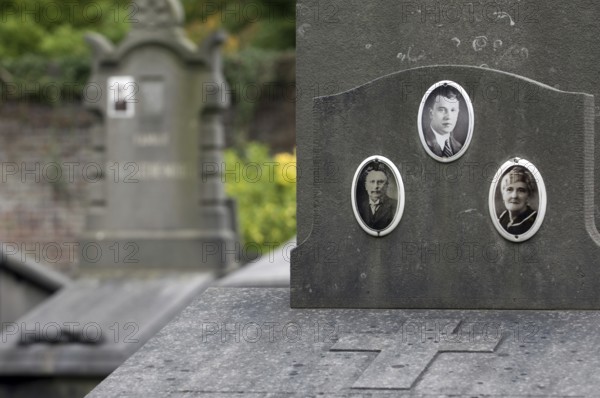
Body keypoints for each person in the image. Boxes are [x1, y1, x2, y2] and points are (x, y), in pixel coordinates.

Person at [422, 84, 464, 158]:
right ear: (431, 113)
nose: (448, 117)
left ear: (458, 113)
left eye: (453, 110)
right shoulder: (423, 142)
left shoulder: (459, 147)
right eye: (442, 110)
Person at [498, 166, 537, 235]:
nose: (514, 196)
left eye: (521, 190)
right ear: (503, 194)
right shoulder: (503, 218)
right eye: (509, 189)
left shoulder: (533, 221)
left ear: (528, 196)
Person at [358, 162, 397, 230]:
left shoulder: (395, 205)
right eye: (372, 182)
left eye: (380, 182)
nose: (376, 186)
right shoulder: (359, 206)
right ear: (366, 186)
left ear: (386, 186)